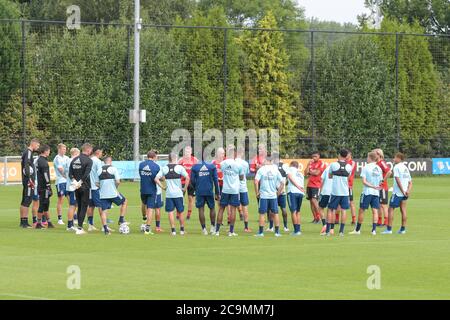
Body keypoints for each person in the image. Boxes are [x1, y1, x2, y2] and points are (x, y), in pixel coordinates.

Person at [349, 151, 383, 235]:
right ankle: (373, 230)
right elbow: (380, 181)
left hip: (367, 192)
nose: (366, 159)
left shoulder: (366, 167)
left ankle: (357, 230)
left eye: (367, 157)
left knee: (361, 210)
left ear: (370, 158)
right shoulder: (378, 168)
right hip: (376, 193)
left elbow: (364, 182)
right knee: (375, 211)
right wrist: (376, 186)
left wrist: (372, 186)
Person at [156, 153, 189, 236]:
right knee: (180, 211)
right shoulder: (179, 167)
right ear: (175, 158)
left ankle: (173, 230)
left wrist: (163, 187)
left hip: (169, 194)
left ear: (169, 159)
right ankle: (182, 230)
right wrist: (184, 188)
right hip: (178, 194)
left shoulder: (165, 168)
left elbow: (156, 178)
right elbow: (188, 177)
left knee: (170, 212)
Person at [215, 145, 244, 237]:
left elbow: (221, 172)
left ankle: (217, 231)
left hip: (225, 189)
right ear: (235, 154)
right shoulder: (238, 165)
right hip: (234, 190)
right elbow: (242, 177)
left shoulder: (223, 163)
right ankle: (231, 232)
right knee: (233, 209)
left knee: (221, 209)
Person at [382, 153, 412, 235]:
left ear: (399, 158)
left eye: (394, 157)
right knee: (403, 209)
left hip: (398, 193)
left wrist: (402, 191)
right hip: (405, 193)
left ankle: (389, 229)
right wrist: (407, 191)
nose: (393, 159)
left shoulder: (397, 167)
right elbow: (410, 182)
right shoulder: (406, 168)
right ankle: (402, 229)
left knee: (391, 209)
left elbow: (398, 180)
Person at [254, 155, 284, 237]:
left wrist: (257, 192)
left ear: (266, 161)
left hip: (264, 195)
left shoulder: (261, 169)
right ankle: (277, 232)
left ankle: (261, 232)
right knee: (275, 213)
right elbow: (282, 183)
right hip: (273, 195)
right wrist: (278, 193)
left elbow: (256, 181)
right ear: (272, 161)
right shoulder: (276, 170)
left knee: (262, 213)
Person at [325, 149, 353, 236]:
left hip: (335, 191)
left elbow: (329, 176)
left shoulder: (333, 165)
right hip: (345, 192)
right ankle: (341, 231)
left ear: (339, 155)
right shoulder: (349, 167)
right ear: (346, 156)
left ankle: (329, 231)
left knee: (330, 210)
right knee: (343, 210)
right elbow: (348, 178)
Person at [98, 156, 128, 235]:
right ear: (110, 161)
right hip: (113, 193)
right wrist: (115, 188)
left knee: (104, 211)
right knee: (124, 201)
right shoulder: (113, 168)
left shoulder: (99, 170)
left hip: (103, 194)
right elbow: (118, 181)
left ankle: (105, 229)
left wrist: (102, 186)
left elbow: (97, 183)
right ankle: (121, 219)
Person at [191, 156, 220, 235]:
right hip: (209, 190)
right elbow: (216, 180)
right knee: (212, 208)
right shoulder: (212, 166)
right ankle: (212, 227)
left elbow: (192, 180)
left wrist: (196, 187)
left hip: (199, 191)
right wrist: (217, 193)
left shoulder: (195, 167)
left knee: (200, 209)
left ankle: (204, 229)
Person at [69, 143, 93, 235]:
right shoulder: (89, 160)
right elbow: (86, 174)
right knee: (84, 206)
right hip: (84, 186)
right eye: (90, 150)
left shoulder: (74, 160)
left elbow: (70, 174)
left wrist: (75, 182)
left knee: (79, 206)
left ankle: (79, 226)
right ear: (88, 150)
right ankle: (80, 228)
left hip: (76, 186)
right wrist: (80, 182)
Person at [139, 150, 161, 235]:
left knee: (143, 204)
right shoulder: (156, 166)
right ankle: (147, 229)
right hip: (151, 190)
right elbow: (159, 178)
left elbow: (141, 175)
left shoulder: (141, 164)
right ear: (154, 157)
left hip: (143, 189)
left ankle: (144, 217)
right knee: (150, 208)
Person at [19, 138, 40, 228]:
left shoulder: (27, 152)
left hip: (27, 180)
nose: (38, 147)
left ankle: (23, 221)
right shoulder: (28, 152)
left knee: (25, 200)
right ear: (33, 144)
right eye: (38, 145)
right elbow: (26, 165)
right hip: (28, 181)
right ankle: (24, 222)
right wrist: (29, 179)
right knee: (27, 200)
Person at [304, 151, 326, 224]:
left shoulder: (321, 163)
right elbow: (305, 173)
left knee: (314, 200)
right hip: (309, 185)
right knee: (311, 202)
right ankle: (315, 218)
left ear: (319, 156)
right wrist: (308, 165)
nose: (314, 158)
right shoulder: (311, 163)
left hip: (317, 185)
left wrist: (310, 172)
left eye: (315, 156)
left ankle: (320, 217)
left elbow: (317, 173)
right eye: (313, 156)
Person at [35, 145, 54, 229]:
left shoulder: (39, 160)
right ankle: (38, 223)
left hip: (40, 186)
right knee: (43, 204)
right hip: (44, 187)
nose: (49, 152)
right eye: (49, 151)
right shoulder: (43, 161)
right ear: (45, 151)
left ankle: (49, 222)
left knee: (46, 204)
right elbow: (45, 175)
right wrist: (48, 185)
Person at [286, 161, 306, 236]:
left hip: (292, 192)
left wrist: (297, 186)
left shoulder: (290, 169)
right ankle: (298, 230)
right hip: (300, 193)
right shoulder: (300, 173)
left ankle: (296, 231)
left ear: (291, 165)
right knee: (298, 211)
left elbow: (290, 177)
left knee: (293, 211)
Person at [178, 146, 198, 220]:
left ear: (191, 152)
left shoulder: (195, 160)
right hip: (182, 181)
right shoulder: (181, 160)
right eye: (186, 152)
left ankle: (189, 214)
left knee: (190, 198)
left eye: (188, 152)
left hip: (191, 182)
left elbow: (197, 171)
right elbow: (177, 170)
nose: (187, 153)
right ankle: (178, 212)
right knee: (180, 198)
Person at [86, 147, 104, 231]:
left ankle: (90, 225)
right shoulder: (98, 161)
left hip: (88, 187)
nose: (101, 154)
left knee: (91, 206)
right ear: (98, 152)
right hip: (96, 187)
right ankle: (104, 226)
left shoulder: (89, 160)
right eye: (101, 152)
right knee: (101, 206)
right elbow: (100, 174)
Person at [235, 146, 252, 233]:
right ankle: (246, 227)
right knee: (245, 207)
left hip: (234, 187)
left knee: (232, 207)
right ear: (242, 153)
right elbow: (246, 174)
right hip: (243, 187)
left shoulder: (233, 162)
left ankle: (231, 228)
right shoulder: (245, 163)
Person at [374, 148, 392, 226]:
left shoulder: (382, 163)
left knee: (383, 205)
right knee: (379, 205)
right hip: (377, 188)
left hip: (383, 188)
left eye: (375, 154)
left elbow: (389, 172)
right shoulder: (376, 163)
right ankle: (379, 221)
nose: (374, 155)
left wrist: (383, 180)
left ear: (379, 155)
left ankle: (386, 221)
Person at [273, 152, 290, 232]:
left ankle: (274, 227)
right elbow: (287, 178)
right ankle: (283, 227)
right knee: (279, 209)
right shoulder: (282, 166)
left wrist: (284, 183)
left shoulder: (280, 166)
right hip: (277, 191)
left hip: (278, 191)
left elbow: (287, 177)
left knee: (277, 209)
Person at [53, 143, 70, 225]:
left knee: (71, 199)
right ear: (59, 149)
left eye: (65, 149)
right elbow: (60, 170)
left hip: (67, 181)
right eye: (63, 149)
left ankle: (74, 217)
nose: (65, 150)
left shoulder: (67, 158)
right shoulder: (57, 158)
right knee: (61, 199)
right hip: (61, 181)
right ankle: (60, 218)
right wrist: (67, 176)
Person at [65, 148, 80, 231]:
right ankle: (70, 225)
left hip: (70, 185)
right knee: (72, 205)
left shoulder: (68, 160)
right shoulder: (73, 161)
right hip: (73, 186)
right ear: (76, 153)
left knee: (74, 205)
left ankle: (71, 224)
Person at [318, 165, 333, 235]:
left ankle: (325, 225)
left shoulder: (327, 168)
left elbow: (322, 180)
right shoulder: (338, 169)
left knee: (321, 208)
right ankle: (331, 229)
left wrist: (320, 191)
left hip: (326, 191)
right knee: (332, 210)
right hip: (334, 192)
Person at [346, 150, 357, 225]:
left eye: (347, 154)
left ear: (350, 154)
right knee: (338, 202)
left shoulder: (352, 163)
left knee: (351, 202)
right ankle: (336, 219)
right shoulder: (342, 162)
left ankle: (354, 219)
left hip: (348, 185)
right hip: (342, 185)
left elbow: (349, 174)